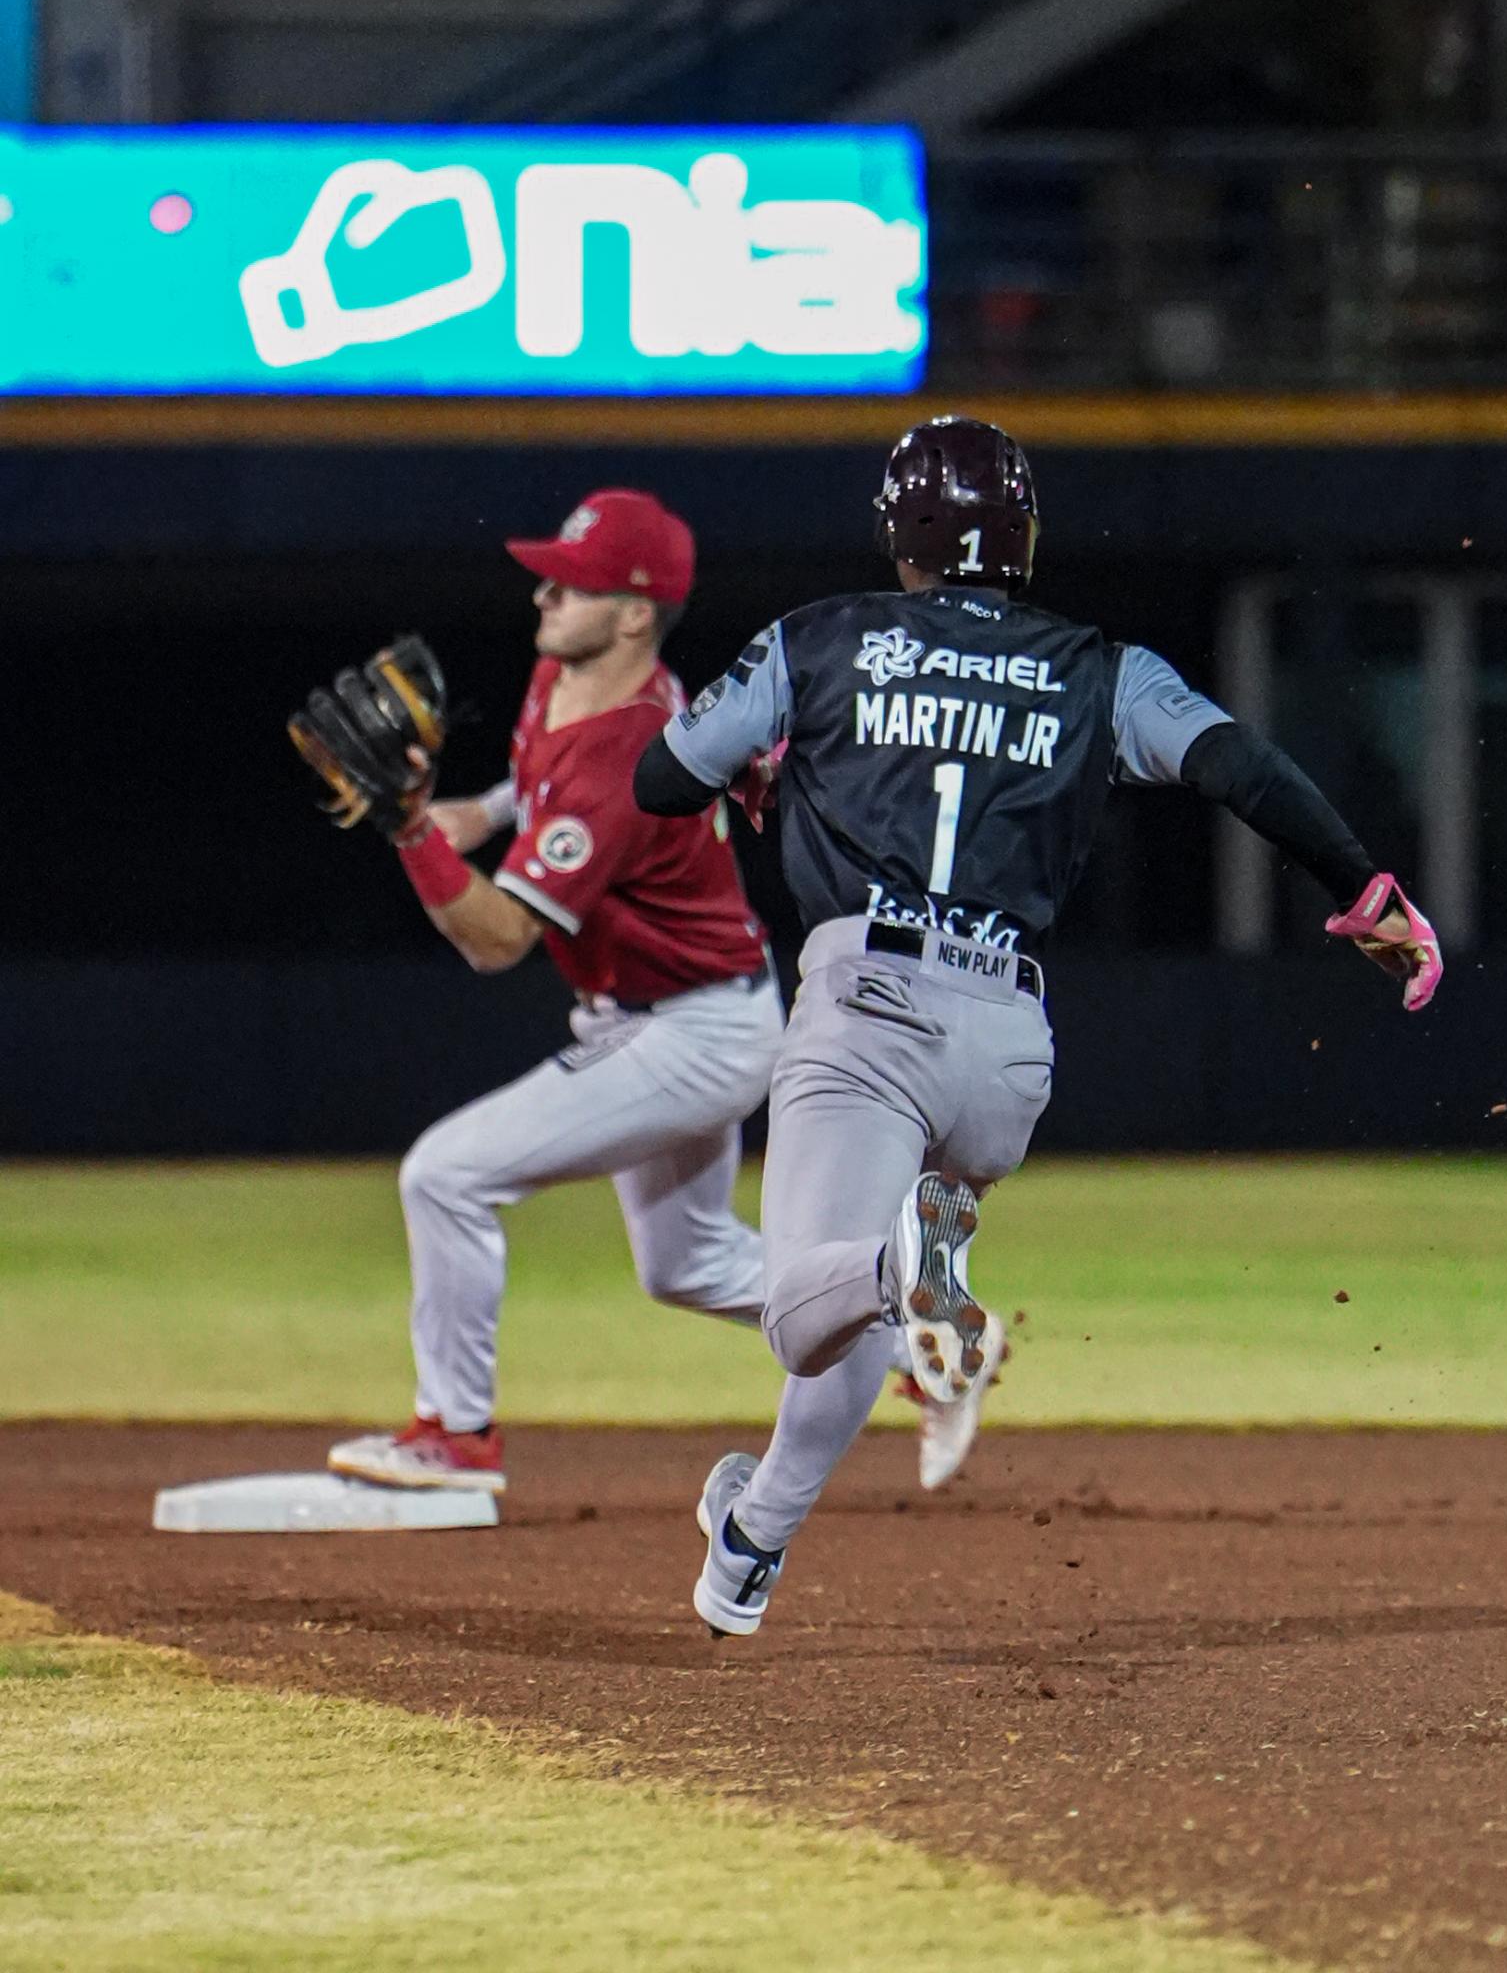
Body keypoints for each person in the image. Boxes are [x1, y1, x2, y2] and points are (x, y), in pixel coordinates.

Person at [632, 416, 1442, 1635]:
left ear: (897, 529)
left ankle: (906, 1267)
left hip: (865, 1002)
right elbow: (1242, 767)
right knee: (860, 1287)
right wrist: (1366, 892)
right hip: (1007, 1043)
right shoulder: (1102, 667)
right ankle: (750, 1544)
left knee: (811, 1309)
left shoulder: (820, 637)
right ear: (1022, 536)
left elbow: (659, 782)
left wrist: (769, 766)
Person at [328, 490, 784, 1495]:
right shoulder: (564, 677)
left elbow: (498, 941)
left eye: (571, 582)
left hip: (693, 1032)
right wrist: (480, 811)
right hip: (693, 1005)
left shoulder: (628, 754)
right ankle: (896, 1313)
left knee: (444, 1174)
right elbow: (538, 781)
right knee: (689, 1262)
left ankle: (455, 1435)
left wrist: (409, 832)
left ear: (632, 612)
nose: (543, 590)